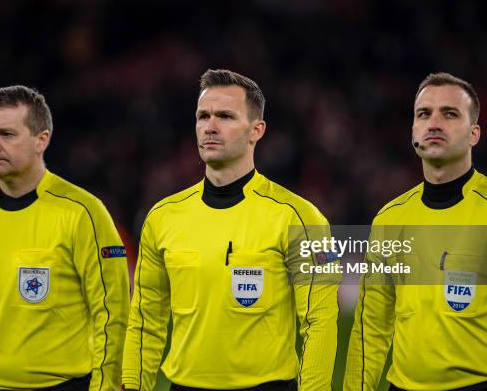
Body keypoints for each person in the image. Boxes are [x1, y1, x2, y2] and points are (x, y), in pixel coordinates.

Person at [122, 69, 339, 390]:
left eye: (225, 116)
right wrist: (131, 385)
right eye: (203, 116)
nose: (210, 126)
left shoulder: (301, 217)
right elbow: (145, 321)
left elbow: (320, 321)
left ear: (256, 130)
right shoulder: (162, 217)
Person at [344, 72, 487, 390]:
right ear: (413, 131)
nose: (434, 123)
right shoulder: (390, 219)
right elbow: (371, 327)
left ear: (475, 133)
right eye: (424, 114)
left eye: (450, 114)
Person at [0, 85, 130, 390]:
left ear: (42, 140)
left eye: (6, 134)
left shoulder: (83, 212)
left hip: (59, 385)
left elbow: (113, 315)